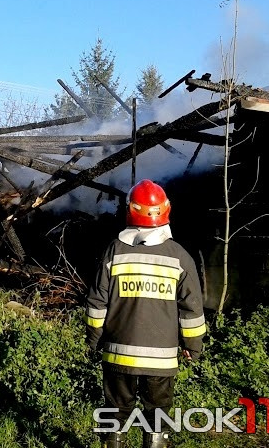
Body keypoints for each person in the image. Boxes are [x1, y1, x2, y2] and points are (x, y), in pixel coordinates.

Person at [86, 179, 206, 448]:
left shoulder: (114, 251)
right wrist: (193, 346)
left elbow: (96, 303)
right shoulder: (180, 257)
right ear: (166, 210)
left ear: (130, 210)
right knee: (157, 415)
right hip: (161, 362)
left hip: (118, 355)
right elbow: (192, 311)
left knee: (114, 413)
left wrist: (93, 339)